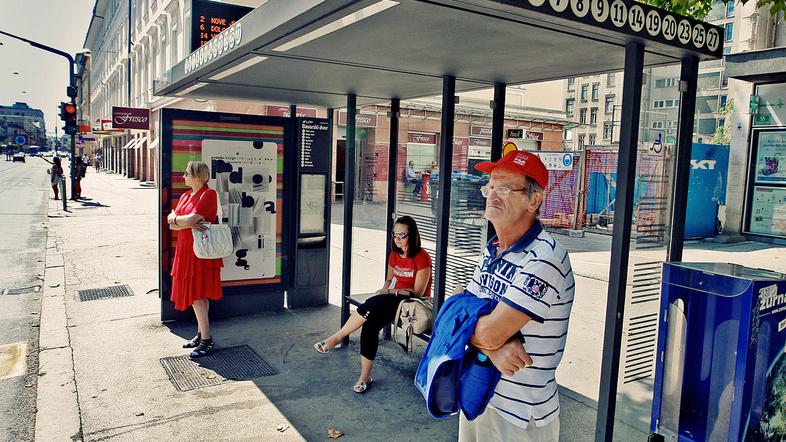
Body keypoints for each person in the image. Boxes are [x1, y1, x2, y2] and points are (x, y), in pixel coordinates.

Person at [459, 150, 574, 441]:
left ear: (533, 201)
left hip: (521, 415)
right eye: (490, 187)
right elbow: (456, 308)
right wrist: (492, 349)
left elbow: (483, 329)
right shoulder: (493, 248)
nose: (492, 195)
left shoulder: (546, 257)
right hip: (478, 394)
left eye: (505, 189)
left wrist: (482, 334)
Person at [314, 215, 432, 393]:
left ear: (412, 235)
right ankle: (364, 377)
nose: (397, 239)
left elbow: (418, 292)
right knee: (370, 325)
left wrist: (389, 292)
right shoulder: (394, 255)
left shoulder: (421, 257)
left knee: (373, 304)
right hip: (392, 300)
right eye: (395, 234)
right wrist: (384, 289)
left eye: (402, 235)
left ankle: (337, 338)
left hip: (411, 304)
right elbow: (389, 280)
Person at [166, 161, 224, 357]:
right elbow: (171, 223)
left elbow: (187, 219)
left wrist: (180, 220)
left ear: (198, 177)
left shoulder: (209, 194)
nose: (183, 176)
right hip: (186, 249)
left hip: (200, 250)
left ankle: (206, 340)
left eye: (186, 173)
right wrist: (183, 222)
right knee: (199, 295)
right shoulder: (185, 195)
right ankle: (201, 335)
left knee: (197, 295)